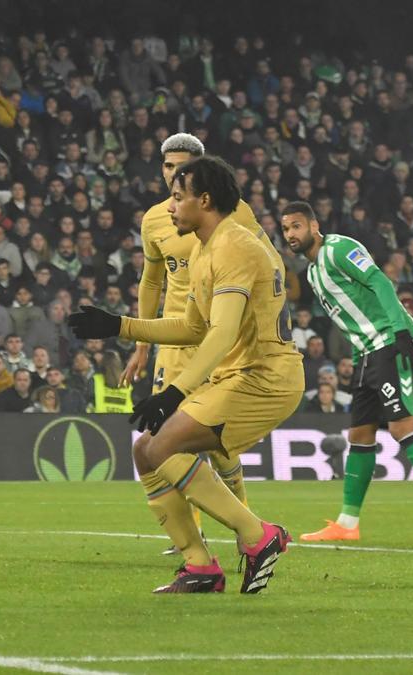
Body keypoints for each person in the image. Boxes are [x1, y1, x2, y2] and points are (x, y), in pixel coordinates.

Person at [69, 156, 300, 594]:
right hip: (239, 375)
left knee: (165, 444)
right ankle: (199, 566)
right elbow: (192, 327)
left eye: (178, 198)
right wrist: (119, 325)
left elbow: (221, 333)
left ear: (205, 200)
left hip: (265, 377)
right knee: (146, 451)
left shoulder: (234, 247)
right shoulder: (205, 249)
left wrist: (174, 393)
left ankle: (258, 536)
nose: (169, 208)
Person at [282, 201, 413, 543]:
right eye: (285, 229)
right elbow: (353, 317)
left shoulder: (340, 249)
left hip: (389, 342)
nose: (290, 234)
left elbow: (380, 282)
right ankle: (347, 523)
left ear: (313, 226)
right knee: (359, 436)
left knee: (402, 427)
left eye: (296, 226)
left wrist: (401, 332)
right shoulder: (311, 274)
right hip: (366, 354)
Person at [121, 134, 273, 550]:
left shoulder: (234, 212)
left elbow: (265, 263)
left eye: (183, 166)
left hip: (220, 336)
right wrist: (141, 345)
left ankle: (243, 519)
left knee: (216, 440)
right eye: (169, 167)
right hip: (176, 338)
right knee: (159, 439)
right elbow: (152, 279)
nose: (174, 174)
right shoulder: (155, 219)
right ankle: (190, 532)